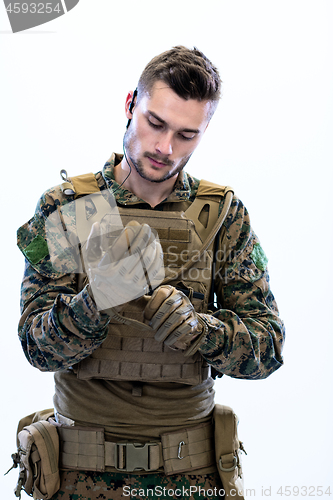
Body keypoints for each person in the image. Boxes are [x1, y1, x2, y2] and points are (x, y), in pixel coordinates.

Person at [17, 46, 285, 500]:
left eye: (186, 135)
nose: (165, 148)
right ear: (130, 105)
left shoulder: (222, 215)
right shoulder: (69, 207)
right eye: (155, 123)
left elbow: (269, 348)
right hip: (78, 478)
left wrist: (202, 332)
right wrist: (94, 302)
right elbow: (36, 347)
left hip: (192, 476)